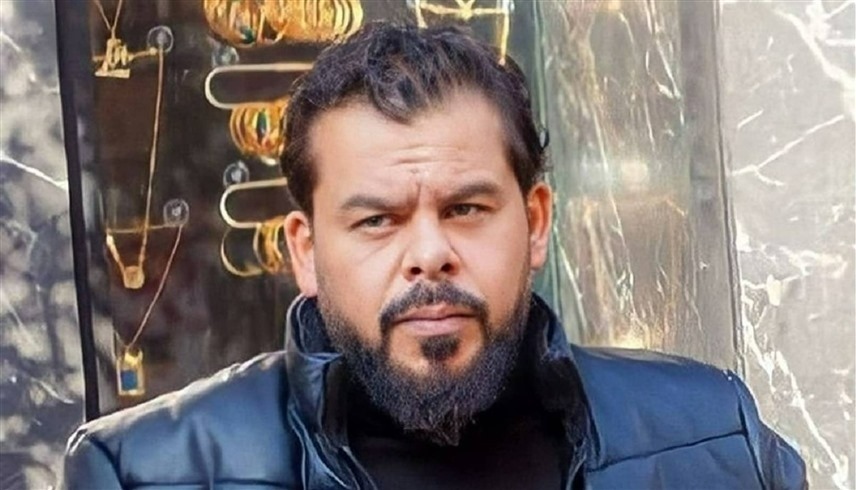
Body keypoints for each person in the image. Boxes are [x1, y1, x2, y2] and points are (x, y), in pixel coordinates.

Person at [62, 22, 805, 489]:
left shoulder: (711, 435)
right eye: (377, 220)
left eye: (466, 209)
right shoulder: (146, 473)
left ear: (535, 223)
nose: (429, 254)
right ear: (306, 252)